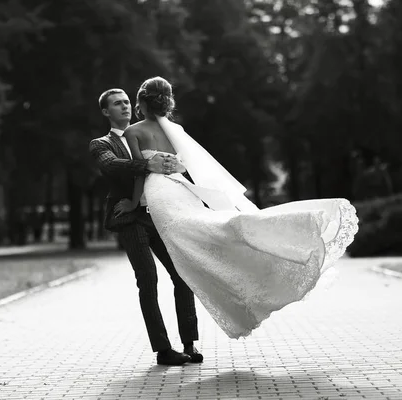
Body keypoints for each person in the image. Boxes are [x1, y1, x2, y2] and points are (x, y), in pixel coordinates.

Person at [118, 76, 359, 339]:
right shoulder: (175, 130)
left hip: (159, 193)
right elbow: (185, 166)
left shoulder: (133, 131)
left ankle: (235, 279)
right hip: (180, 188)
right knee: (200, 231)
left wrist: (132, 202)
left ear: (141, 101)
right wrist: (174, 168)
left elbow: (139, 172)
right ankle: (253, 239)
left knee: (190, 245)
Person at [89, 88, 203, 366]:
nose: (125, 107)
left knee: (181, 275)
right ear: (106, 112)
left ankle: (190, 344)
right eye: (117, 104)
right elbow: (112, 166)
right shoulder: (101, 143)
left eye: (127, 102)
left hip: (159, 214)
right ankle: (164, 350)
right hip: (130, 217)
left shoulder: (152, 130)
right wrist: (146, 164)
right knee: (148, 281)